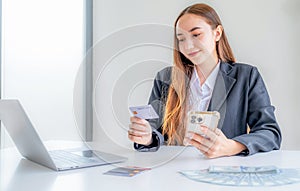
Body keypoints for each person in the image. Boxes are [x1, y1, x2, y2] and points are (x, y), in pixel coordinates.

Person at [127, 3, 281, 158]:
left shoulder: (246, 76)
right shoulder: (165, 78)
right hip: (173, 171)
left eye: (196, 35)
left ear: (217, 33)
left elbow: (270, 133)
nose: (188, 46)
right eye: (181, 39)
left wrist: (231, 147)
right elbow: (155, 130)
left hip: (222, 172)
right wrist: (146, 137)